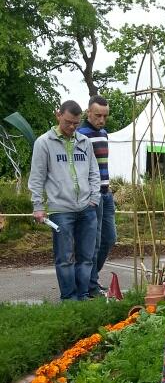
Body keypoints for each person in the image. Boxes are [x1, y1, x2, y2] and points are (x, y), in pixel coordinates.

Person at [29, 100, 100, 301]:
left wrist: (94, 198)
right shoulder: (44, 142)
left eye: (76, 123)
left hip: (87, 208)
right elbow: (37, 177)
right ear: (58, 115)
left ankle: (83, 296)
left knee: (87, 257)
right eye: (68, 122)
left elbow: (94, 172)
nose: (72, 127)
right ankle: (69, 299)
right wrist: (38, 206)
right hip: (60, 210)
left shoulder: (84, 142)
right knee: (65, 258)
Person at [78, 94, 117, 296]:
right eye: (97, 115)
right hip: (91, 195)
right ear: (88, 113)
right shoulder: (80, 135)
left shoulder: (103, 133)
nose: (101, 120)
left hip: (106, 193)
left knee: (109, 238)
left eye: (105, 116)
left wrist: (107, 187)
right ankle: (90, 285)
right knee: (93, 242)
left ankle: (92, 279)